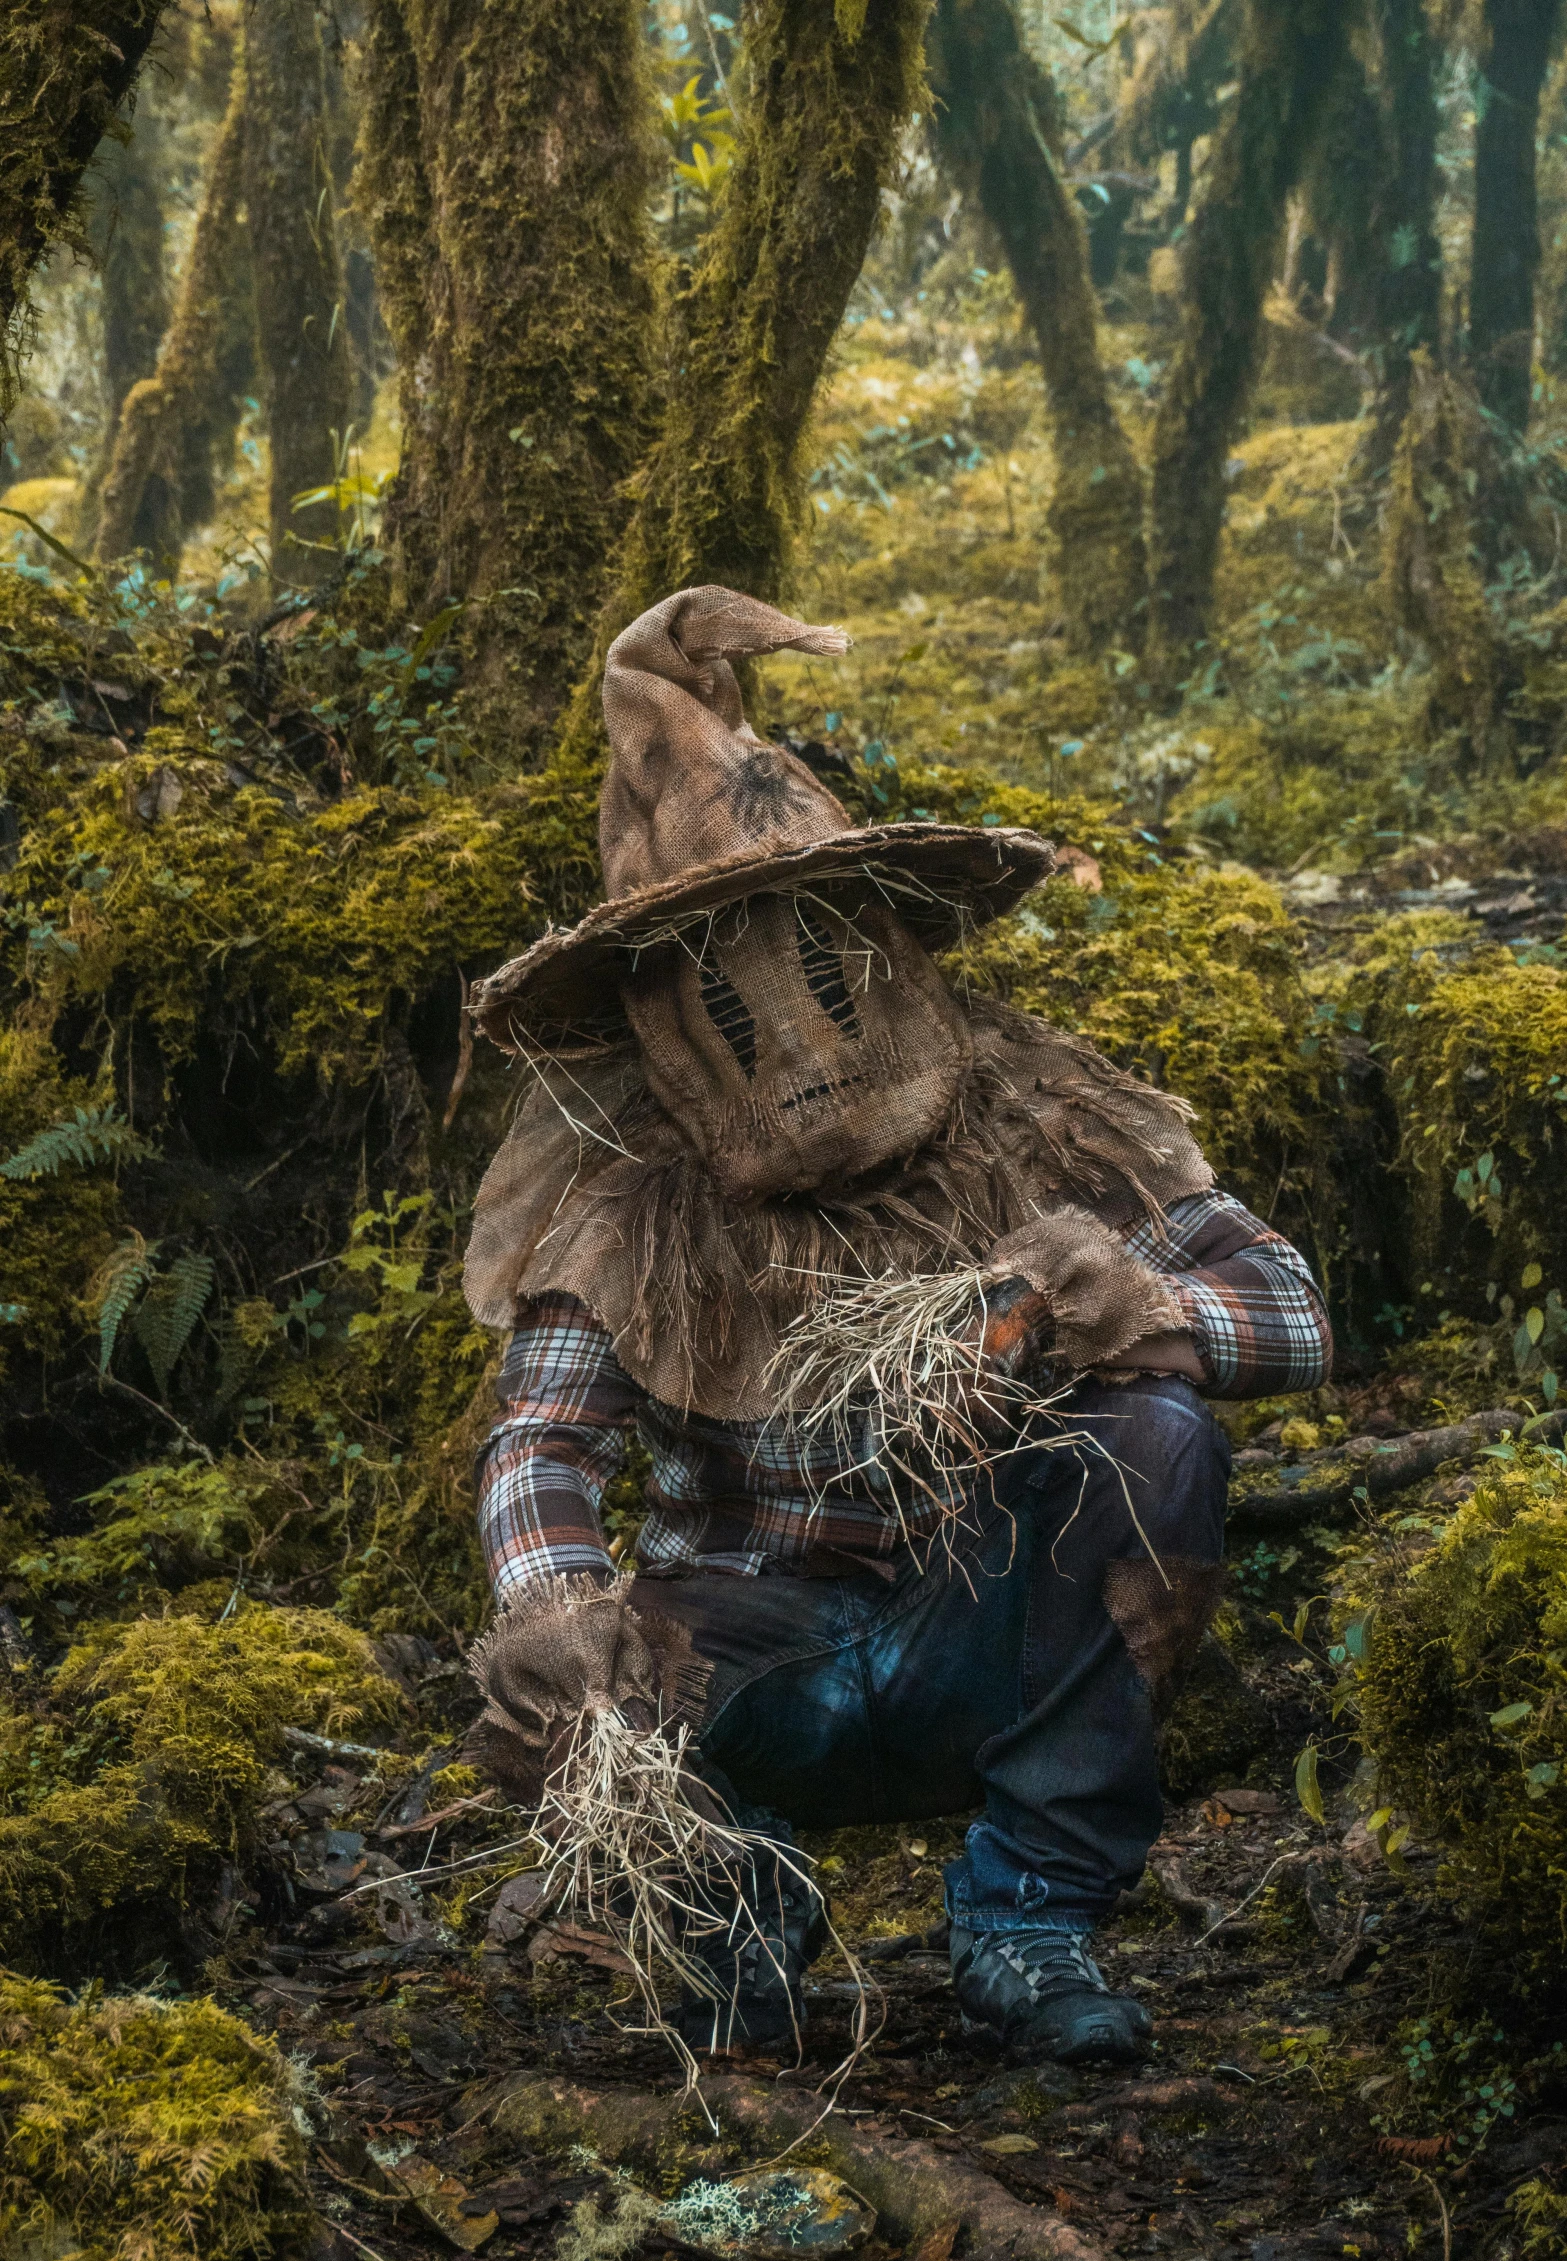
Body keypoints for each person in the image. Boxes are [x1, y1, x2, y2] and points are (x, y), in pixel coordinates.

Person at [462, 587, 1331, 2066]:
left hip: (985, 1623)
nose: (786, 1030)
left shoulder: (1048, 1121)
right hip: (754, 1652)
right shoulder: (634, 1202)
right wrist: (556, 1604)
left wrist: (1147, 1310)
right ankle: (732, 1909)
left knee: (1155, 1431)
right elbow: (540, 1438)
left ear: (877, 936)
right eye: (718, 993)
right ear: (656, 1018)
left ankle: (1028, 1914)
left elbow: (1291, 1313)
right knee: (569, 1689)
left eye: (806, 959)